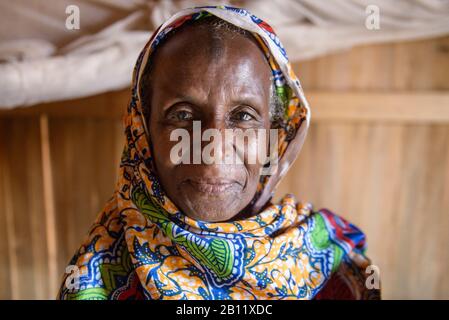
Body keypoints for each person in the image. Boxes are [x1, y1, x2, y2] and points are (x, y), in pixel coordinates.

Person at [58, 6, 380, 300]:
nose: (213, 151)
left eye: (243, 116)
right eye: (182, 115)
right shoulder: (95, 278)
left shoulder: (335, 262)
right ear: (142, 131)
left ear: (276, 136)